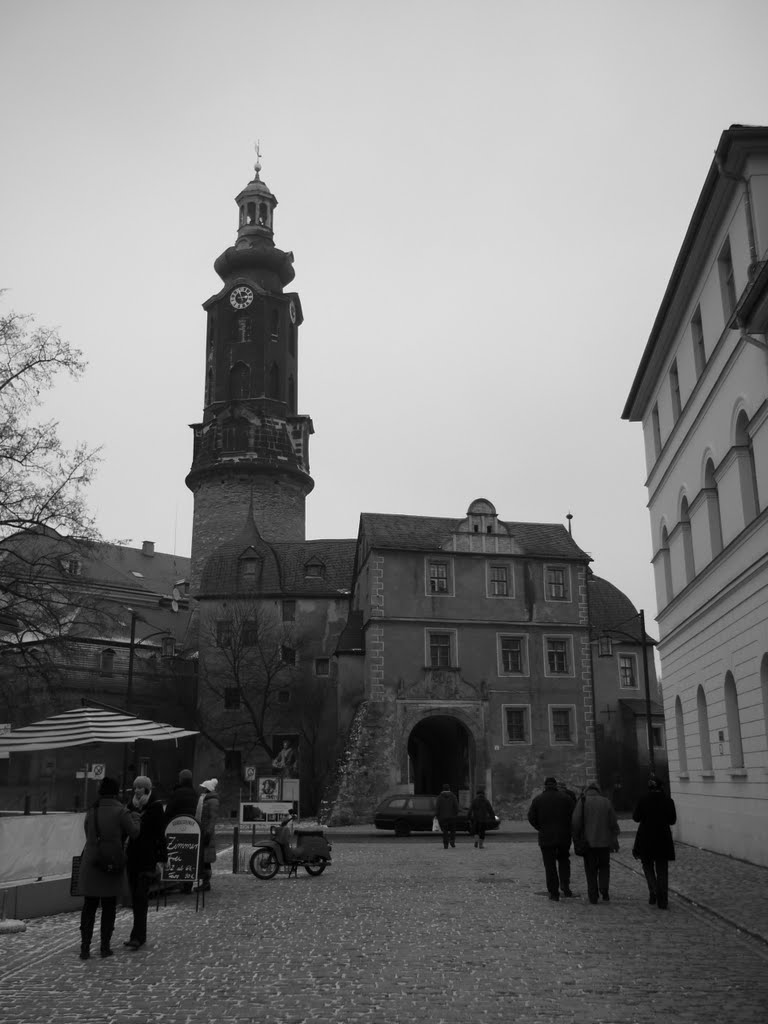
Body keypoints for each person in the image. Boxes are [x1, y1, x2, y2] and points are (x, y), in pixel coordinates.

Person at [78, 776, 140, 959]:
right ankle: (104, 947)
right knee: (108, 906)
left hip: (92, 862)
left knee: (89, 906)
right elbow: (134, 833)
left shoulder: (92, 810)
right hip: (112, 862)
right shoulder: (121, 811)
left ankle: (84, 947)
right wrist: (136, 818)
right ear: (117, 791)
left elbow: (87, 831)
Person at [123, 775, 167, 949]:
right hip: (132, 856)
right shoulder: (130, 805)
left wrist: (162, 858)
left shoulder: (155, 807)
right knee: (135, 896)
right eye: (135, 787)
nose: (137, 790)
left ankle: (139, 936)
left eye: (140, 787)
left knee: (141, 896)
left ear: (147, 789)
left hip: (148, 857)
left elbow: (160, 833)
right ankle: (136, 934)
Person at [527, 776, 576, 900]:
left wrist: (540, 827)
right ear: (555, 785)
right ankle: (565, 886)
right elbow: (574, 816)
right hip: (564, 836)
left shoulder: (538, 800)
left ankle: (554, 893)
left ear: (545, 786)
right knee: (564, 861)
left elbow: (531, 817)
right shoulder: (566, 799)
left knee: (550, 866)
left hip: (546, 837)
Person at [571, 781, 620, 904]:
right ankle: (604, 891)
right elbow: (613, 821)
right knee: (604, 867)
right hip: (604, 842)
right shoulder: (606, 801)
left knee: (590, 869)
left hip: (588, 842)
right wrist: (614, 835)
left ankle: (593, 895)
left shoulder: (582, 802)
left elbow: (576, 822)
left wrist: (576, 836)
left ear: (587, 790)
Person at [632, 777, 677, 909]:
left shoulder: (643, 800)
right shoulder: (668, 801)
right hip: (663, 837)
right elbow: (672, 820)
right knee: (662, 869)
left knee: (647, 865)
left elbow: (636, 818)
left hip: (646, 837)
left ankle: (654, 891)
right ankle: (662, 898)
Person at [195, 778, 220, 891]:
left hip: (206, 833)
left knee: (206, 859)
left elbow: (212, 818)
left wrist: (208, 833)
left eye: (204, 788)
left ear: (207, 789)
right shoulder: (206, 799)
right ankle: (205, 882)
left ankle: (206, 883)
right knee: (204, 858)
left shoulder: (211, 801)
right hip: (203, 831)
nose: (202, 789)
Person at [434, 782, 459, 850]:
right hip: (452, 817)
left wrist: (436, 815)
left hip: (443, 817)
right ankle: (452, 841)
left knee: (445, 831)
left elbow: (437, 807)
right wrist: (456, 814)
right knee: (453, 830)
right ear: (449, 788)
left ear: (443, 789)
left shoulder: (439, 797)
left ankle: (445, 844)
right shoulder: (453, 796)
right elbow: (456, 806)